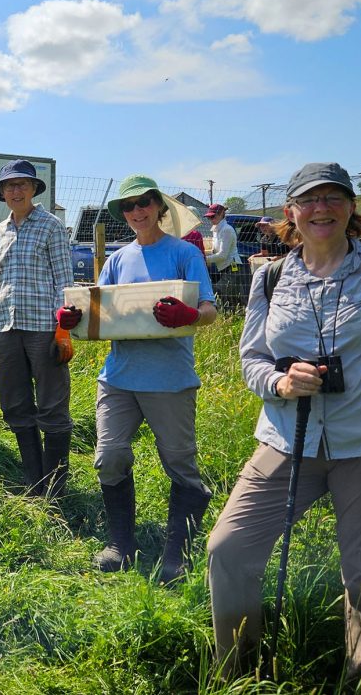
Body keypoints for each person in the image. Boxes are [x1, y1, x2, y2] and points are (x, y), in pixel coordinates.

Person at [207, 162, 361, 680]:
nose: (321, 208)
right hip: (289, 438)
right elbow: (251, 359)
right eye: (308, 200)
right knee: (229, 550)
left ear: (351, 207)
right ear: (290, 212)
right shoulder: (270, 276)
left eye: (334, 197)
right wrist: (280, 383)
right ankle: (239, 674)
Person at [88, 175, 217, 584]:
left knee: (180, 464)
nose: (136, 212)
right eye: (128, 207)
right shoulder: (116, 260)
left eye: (144, 203)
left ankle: (177, 553)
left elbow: (210, 309)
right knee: (109, 457)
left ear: (158, 207)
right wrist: (74, 321)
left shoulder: (183, 253)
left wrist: (191, 316)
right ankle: (120, 546)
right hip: (119, 377)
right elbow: (99, 313)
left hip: (170, 379)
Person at [0, 160, 75, 498]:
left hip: (43, 328)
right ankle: (35, 483)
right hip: (6, 327)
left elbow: (65, 281)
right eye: (10, 186)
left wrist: (62, 330)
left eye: (23, 185)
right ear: (3, 193)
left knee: (51, 406)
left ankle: (56, 487)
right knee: (15, 405)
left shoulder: (50, 226)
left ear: (34, 190)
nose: (16, 191)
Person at [204, 203, 244, 306]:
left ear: (221, 214)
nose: (211, 219)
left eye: (213, 216)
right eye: (209, 217)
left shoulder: (227, 230)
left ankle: (236, 315)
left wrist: (204, 259)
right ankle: (234, 315)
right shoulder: (216, 230)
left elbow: (222, 255)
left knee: (223, 292)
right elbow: (214, 251)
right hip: (223, 267)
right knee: (228, 296)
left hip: (232, 267)